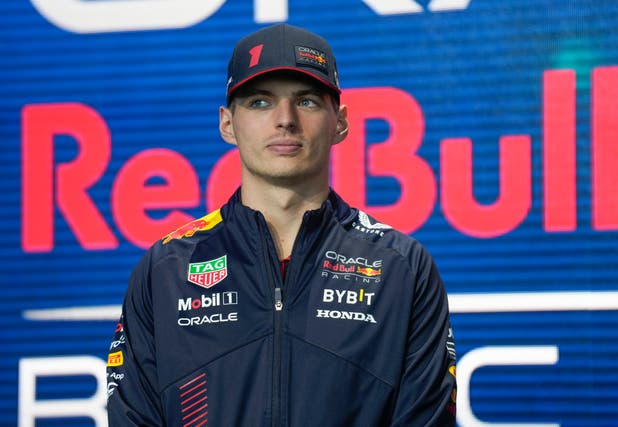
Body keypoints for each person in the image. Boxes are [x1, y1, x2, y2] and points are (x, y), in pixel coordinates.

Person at [106, 23, 457, 426]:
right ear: (226, 123)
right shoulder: (166, 270)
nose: (285, 120)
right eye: (259, 102)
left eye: (306, 101)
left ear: (339, 121)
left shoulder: (401, 268)